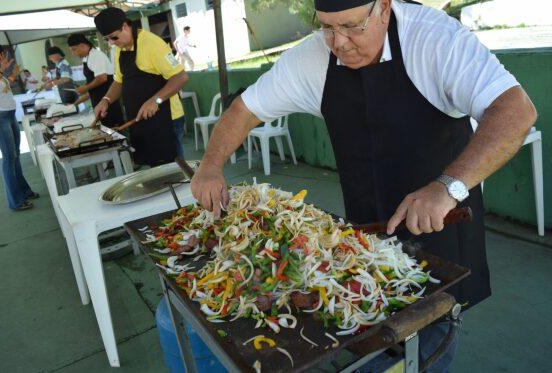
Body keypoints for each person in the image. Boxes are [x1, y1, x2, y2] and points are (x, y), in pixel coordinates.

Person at [190, 0, 537, 371]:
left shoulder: (434, 38)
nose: (339, 42)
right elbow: (244, 109)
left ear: (384, 8)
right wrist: (210, 166)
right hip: (364, 237)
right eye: (326, 27)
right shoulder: (312, 58)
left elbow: (516, 110)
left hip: (440, 222)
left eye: (353, 26)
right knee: (370, 332)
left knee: (430, 333)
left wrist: (447, 186)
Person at [93, 7, 189, 166]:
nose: (111, 43)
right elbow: (119, 81)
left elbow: (181, 77)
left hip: (166, 119)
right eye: (106, 39)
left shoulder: (152, 44)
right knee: (155, 168)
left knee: (173, 169)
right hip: (140, 120)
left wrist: (155, 100)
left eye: (113, 37)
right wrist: (106, 99)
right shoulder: (119, 49)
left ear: (125, 26)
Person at [0, 42, 39, 211]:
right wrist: (1, 70)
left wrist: (10, 75)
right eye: (2, 54)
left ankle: (24, 191)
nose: (4, 57)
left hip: (8, 114)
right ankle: (15, 201)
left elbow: (0, 89)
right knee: (9, 157)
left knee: (15, 155)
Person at [67, 33, 124, 127]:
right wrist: (76, 103)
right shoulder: (87, 58)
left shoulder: (96, 56)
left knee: (114, 131)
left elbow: (102, 78)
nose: (73, 53)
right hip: (98, 104)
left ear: (83, 45)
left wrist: (85, 87)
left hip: (108, 104)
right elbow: (92, 88)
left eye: (74, 50)